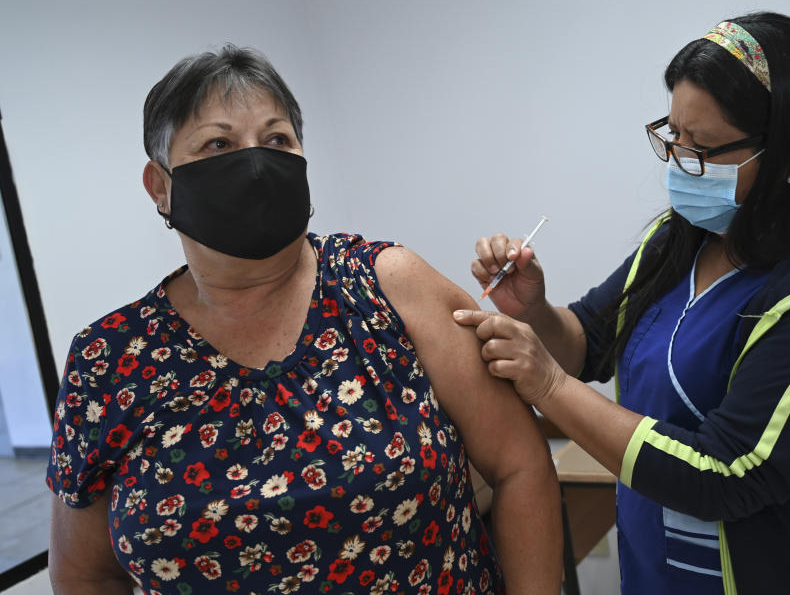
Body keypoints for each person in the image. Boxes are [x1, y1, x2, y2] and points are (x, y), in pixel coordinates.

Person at [46, 44, 561, 595]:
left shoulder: (386, 285)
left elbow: (520, 467)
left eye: (276, 140)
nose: (254, 163)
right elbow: (86, 574)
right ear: (160, 186)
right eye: (218, 143)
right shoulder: (109, 360)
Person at [454, 12, 790, 595]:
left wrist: (551, 388)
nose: (680, 160)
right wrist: (534, 310)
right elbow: (589, 342)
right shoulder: (681, 239)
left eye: (702, 145)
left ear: (785, 158)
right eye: (673, 134)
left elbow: (725, 476)